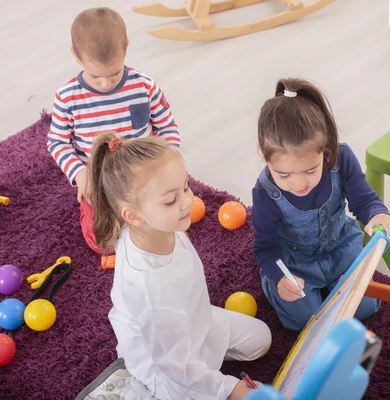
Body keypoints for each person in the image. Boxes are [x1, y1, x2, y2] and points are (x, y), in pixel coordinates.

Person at [89, 132, 272, 399]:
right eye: (171, 200)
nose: (188, 201)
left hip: (194, 320)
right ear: (134, 215)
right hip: (165, 361)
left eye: (185, 187)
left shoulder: (159, 224)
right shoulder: (149, 288)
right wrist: (229, 388)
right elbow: (174, 365)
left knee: (261, 340)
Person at [252, 78, 390, 332]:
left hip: (341, 245)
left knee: (366, 307)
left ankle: (332, 284)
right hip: (295, 262)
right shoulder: (264, 192)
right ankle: (276, 286)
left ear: (326, 150)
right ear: (263, 155)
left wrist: (378, 214)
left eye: (311, 170)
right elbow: (265, 249)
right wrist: (278, 278)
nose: (299, 184)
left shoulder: (342, 158)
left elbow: (365, 201)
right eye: (284, 175)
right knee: (302, 322)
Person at [46, 7, 180, 253]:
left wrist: (168, 164)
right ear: (76, 56)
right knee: (102, 243)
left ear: (126, 47)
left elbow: (167, 127)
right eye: (96, 77)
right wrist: (80, 174)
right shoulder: (67, 98)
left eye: (115, 73)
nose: (107, 83)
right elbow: (57, 143)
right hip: (98, 180)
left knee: (169, 224)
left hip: (144, 175)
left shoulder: (144, 86)